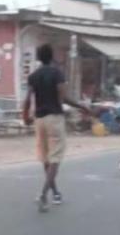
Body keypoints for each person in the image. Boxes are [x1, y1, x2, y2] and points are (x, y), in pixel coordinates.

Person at [22, 44, 90, 212]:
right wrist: (81, 106)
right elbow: (64, 97)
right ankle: (44, 194)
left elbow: (28, 99)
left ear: (38, 58)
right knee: (55, 159)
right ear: (51, 56)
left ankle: (55, 192)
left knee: (46, 158)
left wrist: (25, 116)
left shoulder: (33, 76)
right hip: (54, 118)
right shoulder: (57, 73)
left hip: (40, 120)